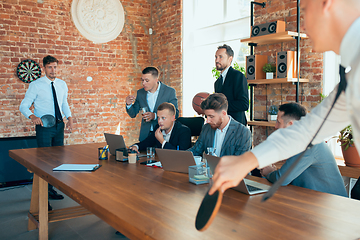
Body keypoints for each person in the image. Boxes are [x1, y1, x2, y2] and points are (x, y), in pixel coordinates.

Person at [209, 0, 360, 195]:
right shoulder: (352, 78)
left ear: (326, 3)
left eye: (305, 10)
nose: (303, 25)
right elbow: (308, 131)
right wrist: (246, 161)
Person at [260, 103, 347, 197]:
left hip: (334, 205)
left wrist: (269, 173)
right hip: (314, 199)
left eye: (278, 122)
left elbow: (282, 179)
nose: (275, 126)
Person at [19, 55, 73, 205]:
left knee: (57, 160)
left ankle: (50, 189)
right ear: (44, 68)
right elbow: (24, 105)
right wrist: (32, 116)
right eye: (49, 67)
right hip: (44, 127)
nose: (53, 70)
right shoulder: (35, 85)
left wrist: (70, 119)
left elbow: (64, 103)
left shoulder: (62, 84)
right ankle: (42, 198)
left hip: (59, 126)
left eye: (55, 67)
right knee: (44, 162)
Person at [188, 93, 251, 157]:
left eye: (211, 116)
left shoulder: (242, 132)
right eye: (206, 116)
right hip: (209, 167)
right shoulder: (206, 128)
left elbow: (240, 162)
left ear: (223, 113)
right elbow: (196, 150)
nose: (208, 121)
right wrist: (179, 156)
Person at [125, 67, 179, 141]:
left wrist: (155, 116)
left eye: (147, 80)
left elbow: (175, 114)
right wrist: (129, 105)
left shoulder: (169, 92)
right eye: (142, 80)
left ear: (156, 80)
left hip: (163, 135)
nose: (143, 83)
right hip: (145, 136)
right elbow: (133, 113)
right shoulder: (140, 93)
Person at [214, 44, 249, 126]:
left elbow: (244, 104)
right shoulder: (217, 82)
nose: (217, 60)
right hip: (222, 126)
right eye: (216, 57)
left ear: (230, 59)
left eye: (220, 57)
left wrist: (220, 106)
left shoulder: (238, 76)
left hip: (237, 126)